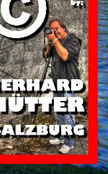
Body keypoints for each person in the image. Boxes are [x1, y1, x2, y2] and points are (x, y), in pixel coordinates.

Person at [42, 20, 83, 152]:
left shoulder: (73, 40)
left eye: (57, 29)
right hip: (57, 82)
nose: (55, 32)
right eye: (52, 30)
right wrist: (48, 46)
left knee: (68, 114)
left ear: (64, 28)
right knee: (59, 112)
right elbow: (45, 56)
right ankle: (61, 136)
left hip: (69, 82)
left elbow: (65, 56)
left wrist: (54, 41)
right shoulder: (54, 42)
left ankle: (69, 142)